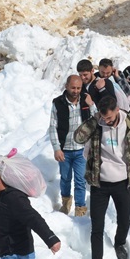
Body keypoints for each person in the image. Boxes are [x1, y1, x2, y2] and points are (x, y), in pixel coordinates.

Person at [74, 95, 130, 259]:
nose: (106, 121)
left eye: (108, 117)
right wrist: (95, 120)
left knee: (125, 220)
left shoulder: (129, 125)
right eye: (103, 117)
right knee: (97, 227)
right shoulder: (97, 124)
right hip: (100, 184)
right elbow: (78, 137)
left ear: (116, 110)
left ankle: (120, 242)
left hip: (122, 182)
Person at [49, 74, 90, 216]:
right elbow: (53, 127)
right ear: (66, 86)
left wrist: (91, 104)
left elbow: (97, 118)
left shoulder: (86, 100)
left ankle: (80, 208)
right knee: (66, 179)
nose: (76, 91)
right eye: (73, 87)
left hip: (81, 149)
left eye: (79, 88)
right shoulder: (58, 103)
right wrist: (56, 148)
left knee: (80, 180)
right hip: (65, 149)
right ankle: (66, 202)